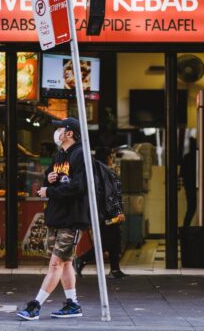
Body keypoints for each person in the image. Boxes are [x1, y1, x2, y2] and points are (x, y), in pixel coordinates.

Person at [17, 117, 90, 321]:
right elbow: (52, 176)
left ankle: (35, 305)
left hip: (73, 218)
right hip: (57, 216)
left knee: (55, 263)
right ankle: (72, 304)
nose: (56, 132)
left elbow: (79, 187)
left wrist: (50, 191)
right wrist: (48, 179)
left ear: (70, 133)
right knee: (65, 263)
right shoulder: (60, 155)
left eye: (60, 129)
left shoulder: (80, 154)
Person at [74, 146, 128, 279]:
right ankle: (81, 260)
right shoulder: (106, 172)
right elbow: (112, 194)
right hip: (109, 214)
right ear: (108, 157)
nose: (112, 159)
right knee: (107, 241)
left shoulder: (96, 170)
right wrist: (119, 212)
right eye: (111, 157)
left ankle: (115, 270)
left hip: (102, 213)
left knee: (115, 239)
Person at [181, 137, 197, 228]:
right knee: (192, 207)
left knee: (190, 207)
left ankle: (185, 227)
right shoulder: (197, 157)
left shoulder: (186, 157)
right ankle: (186, 227)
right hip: (195, 186)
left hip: (188, 186)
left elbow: (181, 174)